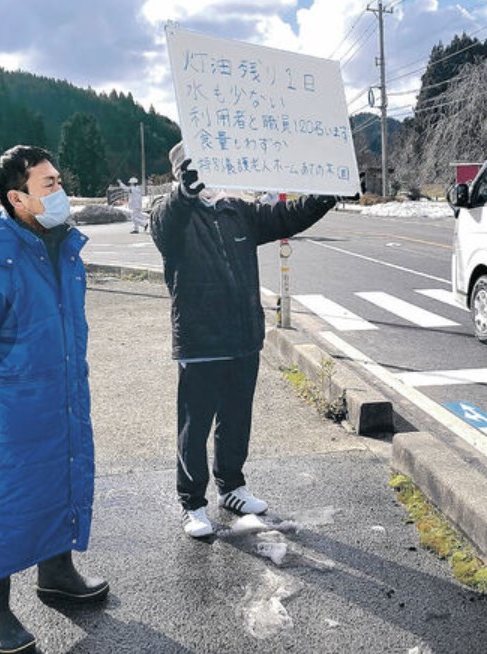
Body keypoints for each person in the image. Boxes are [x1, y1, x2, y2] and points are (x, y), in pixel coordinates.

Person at [0, 145, 108, 653]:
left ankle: (56, 573)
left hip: (65, 398)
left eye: (59, 180)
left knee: (61, 478)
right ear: (17, 197)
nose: (61, 192)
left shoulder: (64, 249)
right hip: (10, 411)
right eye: (49, 184)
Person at [150, 142, 337, 538]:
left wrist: (328, 194)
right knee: (194, 425)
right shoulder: (172, 216)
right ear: (179, 173)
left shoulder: (237, 212)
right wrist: (184, 192)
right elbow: (166, 222)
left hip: (243, 337)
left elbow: (288, 215)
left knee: (236, 420)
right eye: (194, 170)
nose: (206, 178)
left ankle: (231, 487)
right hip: (200, 342)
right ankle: (192, 504)